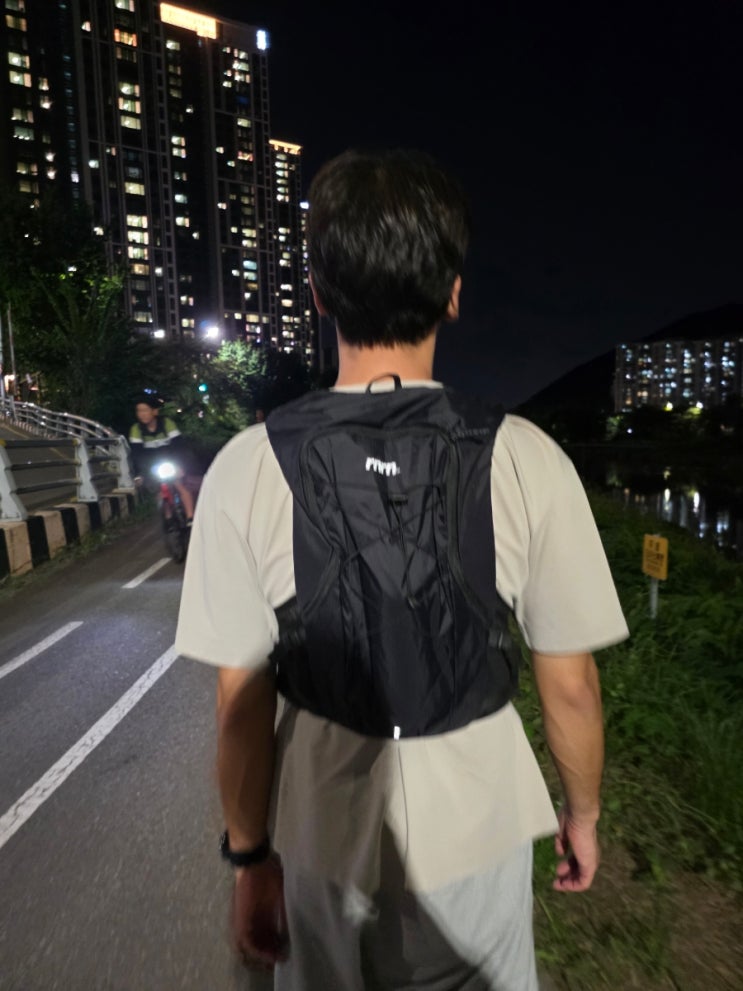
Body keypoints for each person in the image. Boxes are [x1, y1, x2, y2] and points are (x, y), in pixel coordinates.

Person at [175, 149, 629, 990]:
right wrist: (583, 813)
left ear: (318, 293)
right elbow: (570, 685)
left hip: (320, 834)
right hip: (477, 826)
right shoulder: (526, 456)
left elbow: (240, 702)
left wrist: (250, 857)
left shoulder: (248, 466)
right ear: (452, 292)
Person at [128, 394, 195, 523]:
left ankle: (190, 518)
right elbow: (137, 454)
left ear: (154, 411)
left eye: (145, 410)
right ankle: (167, 517)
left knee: (180, 485)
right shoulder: (136, 429)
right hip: (152, 464)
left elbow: (179, 446)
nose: (142, 414)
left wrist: (180, 465)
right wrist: (140, 474)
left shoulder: (167, 423)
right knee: (158, 491)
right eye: (139, 411)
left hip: (171, 460)